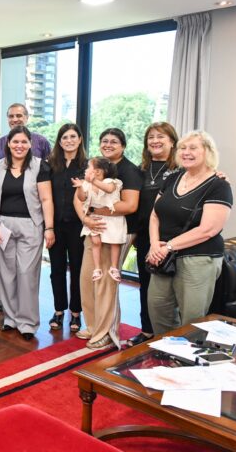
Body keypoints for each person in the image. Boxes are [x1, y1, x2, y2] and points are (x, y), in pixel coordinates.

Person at [147, 131, 232, 335]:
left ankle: (188, 354)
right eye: (183, 148)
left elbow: (208, 230)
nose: (186, 152)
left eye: (193, 148)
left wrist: (168, 246)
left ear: (208, 152)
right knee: (158, 310)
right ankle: (164, 351)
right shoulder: (173, 178)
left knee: (192, 320)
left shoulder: (219, 185)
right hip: (163, 256)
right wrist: (154, 244)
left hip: (198, 259)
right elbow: (155, 214)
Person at [74, 128, 142, 350]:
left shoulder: (129, 171)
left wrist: (95, 211)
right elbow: (79, 197)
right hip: (92, 227)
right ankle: (93, 325)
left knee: (105, 282)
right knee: (88, 277)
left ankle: (106, 332)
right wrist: (86, 218)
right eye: (105, 140)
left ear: (123, 145)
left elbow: (130, 206)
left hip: (115, 232)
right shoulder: (96, 165)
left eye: (114, 141)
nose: (108, 144)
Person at [0, 126, 55, 341]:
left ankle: (27, 323)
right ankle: (10, 318)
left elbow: (46, 199)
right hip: (4, 224)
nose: (19, 146)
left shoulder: (40, 166)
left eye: (24, 142)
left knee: (27, 274)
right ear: (8, 143)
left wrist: (49, 228)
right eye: (15, 141)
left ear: (30, 144)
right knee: (6, 273)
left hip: (31, 225)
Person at [128, 122, 180, 346]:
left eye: (161, 136)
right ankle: (147, 331)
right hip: (144, 237)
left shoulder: (182, 170)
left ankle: (173, 335)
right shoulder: (140, 170)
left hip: (172, 238)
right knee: (146, 286)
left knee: (171, 290)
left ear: (172, 141)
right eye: (151, 137)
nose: (155, 141)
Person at [47, 123, 86, 332]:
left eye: (73, 136)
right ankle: (59, 310)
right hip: (55, 225)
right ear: (59, 141)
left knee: (78, 269)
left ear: (79, 139)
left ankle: (76, 313)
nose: (69, 140)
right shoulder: (51, 165)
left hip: (78, 226)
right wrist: (48, 227)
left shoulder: (87, 166)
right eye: (65, 137)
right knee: (56, 270)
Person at [74, 157, 126, 282]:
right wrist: (80, 187)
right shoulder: (87, 184)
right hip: (95, 218)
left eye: (88, 168)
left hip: (112, 218)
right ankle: (97, 268)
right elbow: (82, 198)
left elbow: (108, 189)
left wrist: (93, 181)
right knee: (95, 242)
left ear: (97, 172)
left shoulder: (111, 182)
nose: (85, 170)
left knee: (115, 242)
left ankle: (114, 267)